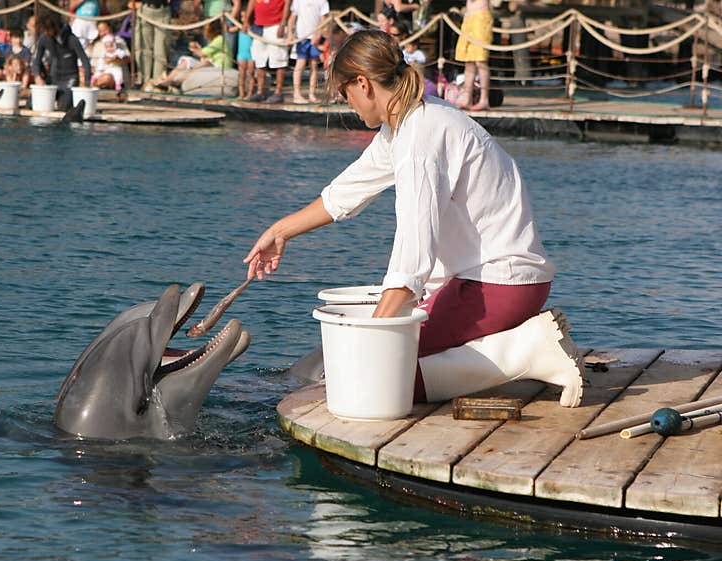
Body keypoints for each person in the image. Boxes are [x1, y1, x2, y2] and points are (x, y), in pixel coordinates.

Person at [242, 29, 584, 410]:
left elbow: (413, 255)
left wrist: (374, 339)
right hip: (488, 282)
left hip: (497, 286)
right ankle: (511, 343)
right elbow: (349, 190)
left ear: (363, 84)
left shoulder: (420, 138)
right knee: (351, 364)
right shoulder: (413, 119)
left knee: (372, 378)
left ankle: (524, 352)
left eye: (345, 94)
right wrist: (280, 231)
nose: (347, 104)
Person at [31, 13, 92, 110]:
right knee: (32, 103)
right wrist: (37, 76)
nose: (45, 33)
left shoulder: (71, 39)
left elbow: (85, 61)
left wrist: (87, 82)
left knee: (64, 106)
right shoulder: (44, 38)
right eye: (44, 31)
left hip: (70, 78)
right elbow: (36, 61)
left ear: (55, 27)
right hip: (54, 77)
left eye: (47, 30)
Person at [152, 18, 232, 91]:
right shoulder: (213, 40)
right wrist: (197, 47)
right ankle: (167, 81)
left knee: (206, 63)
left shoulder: (220, 40)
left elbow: (202, 53)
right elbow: (205, 54)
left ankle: (180, 81)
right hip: (212, 64)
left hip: (220, 66)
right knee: (186, 60)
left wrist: (193, 48)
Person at [243, 0, 291, 103]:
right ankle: (260, 91)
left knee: (279, 59)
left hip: (276, 24)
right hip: (258, 25)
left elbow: (287, 3)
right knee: (259, 59)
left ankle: (278, 92)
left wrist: (283, 24)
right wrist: (246, 20)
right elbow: (252, 2)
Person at [287, 0, 328, 104]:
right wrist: (290, 34)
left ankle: (312, 94)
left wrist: (319, 35)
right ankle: (296, 94)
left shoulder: (322, 1)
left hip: (315, 37)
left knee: (314, 65)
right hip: (302, 37)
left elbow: (324, 20)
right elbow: (293, 16)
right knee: (300, 64)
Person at [454, 0, 493, 110]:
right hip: (469, 17)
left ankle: (484, 99)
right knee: (469, 62)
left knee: (481, 61)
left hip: (481, 17)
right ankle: (467, 98)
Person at [136, 0, 171, 89]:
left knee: (161, 50)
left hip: (163, 10)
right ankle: (144, 82)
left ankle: (158, 83)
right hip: (145, 9)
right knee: (144, 49)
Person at [88, 20, 130, 90]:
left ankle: (95, 86)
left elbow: (128, 59)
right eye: (101, 31)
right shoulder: (97, 44)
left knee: (106, 78)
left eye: (105, 30)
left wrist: (114, 60)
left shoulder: (119, 41)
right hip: (99, 73)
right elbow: (93, 65)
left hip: (114, 74)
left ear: (110, 28)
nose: (103, 33)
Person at [231, 0, 256, 99]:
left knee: (251, 74)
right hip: (241, 54)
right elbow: (228, 29)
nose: (243, 19)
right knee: (241, 75)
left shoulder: (252, 29)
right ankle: (241, 93)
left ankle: (250, 93)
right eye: (241, 17)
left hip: (251, 55)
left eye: (245, 16)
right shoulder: (239, 27)